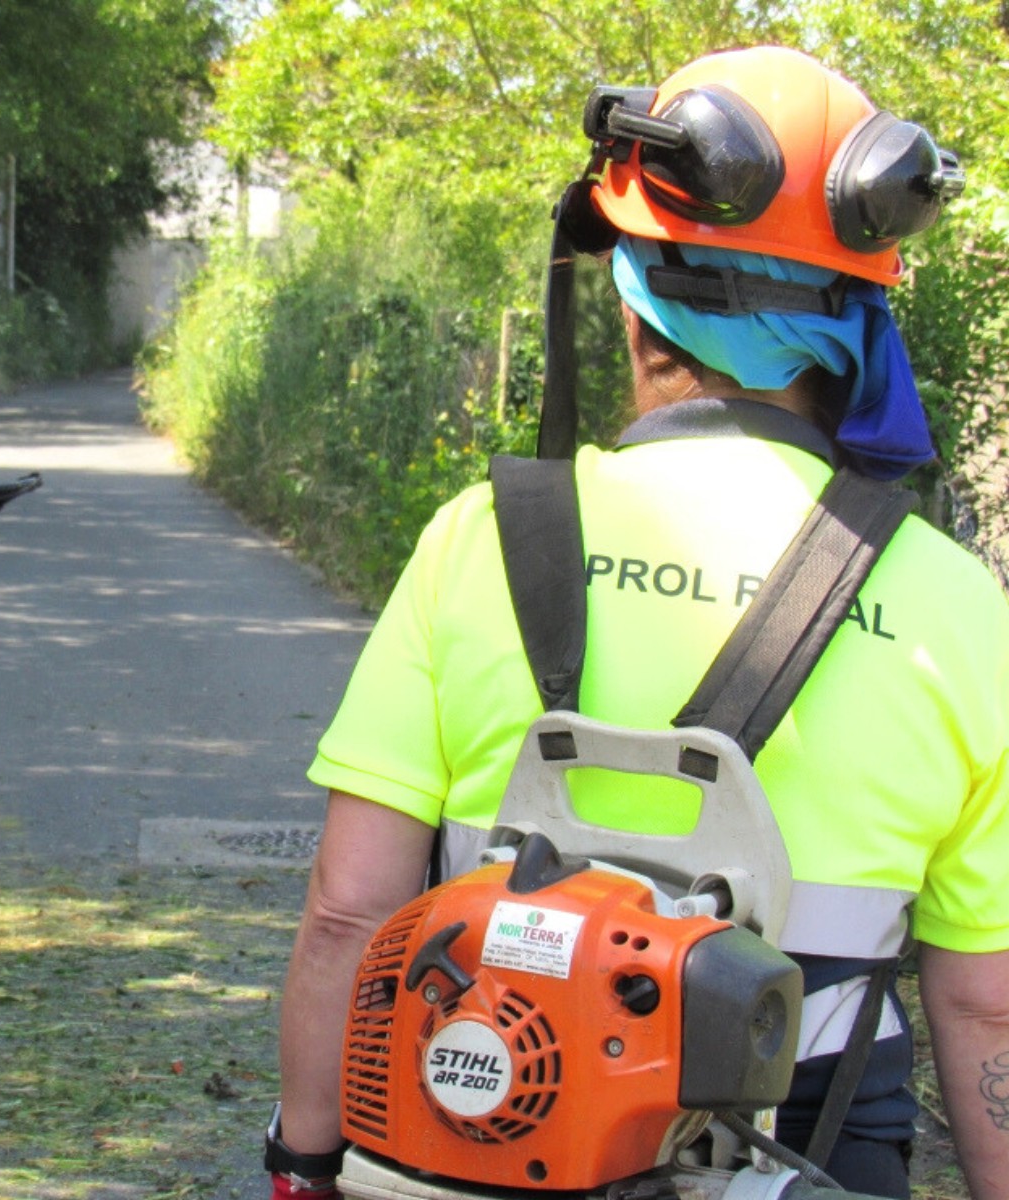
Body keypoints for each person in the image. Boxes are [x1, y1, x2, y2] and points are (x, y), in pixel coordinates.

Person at [266, 47, 1008, 1200]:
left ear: (632, 298)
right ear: (857, 316)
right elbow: (985, 1001)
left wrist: (304, 1162)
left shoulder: (480, 540)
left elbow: (349, 911)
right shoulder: (957, 606)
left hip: (479, 1137)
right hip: (802, 1155)